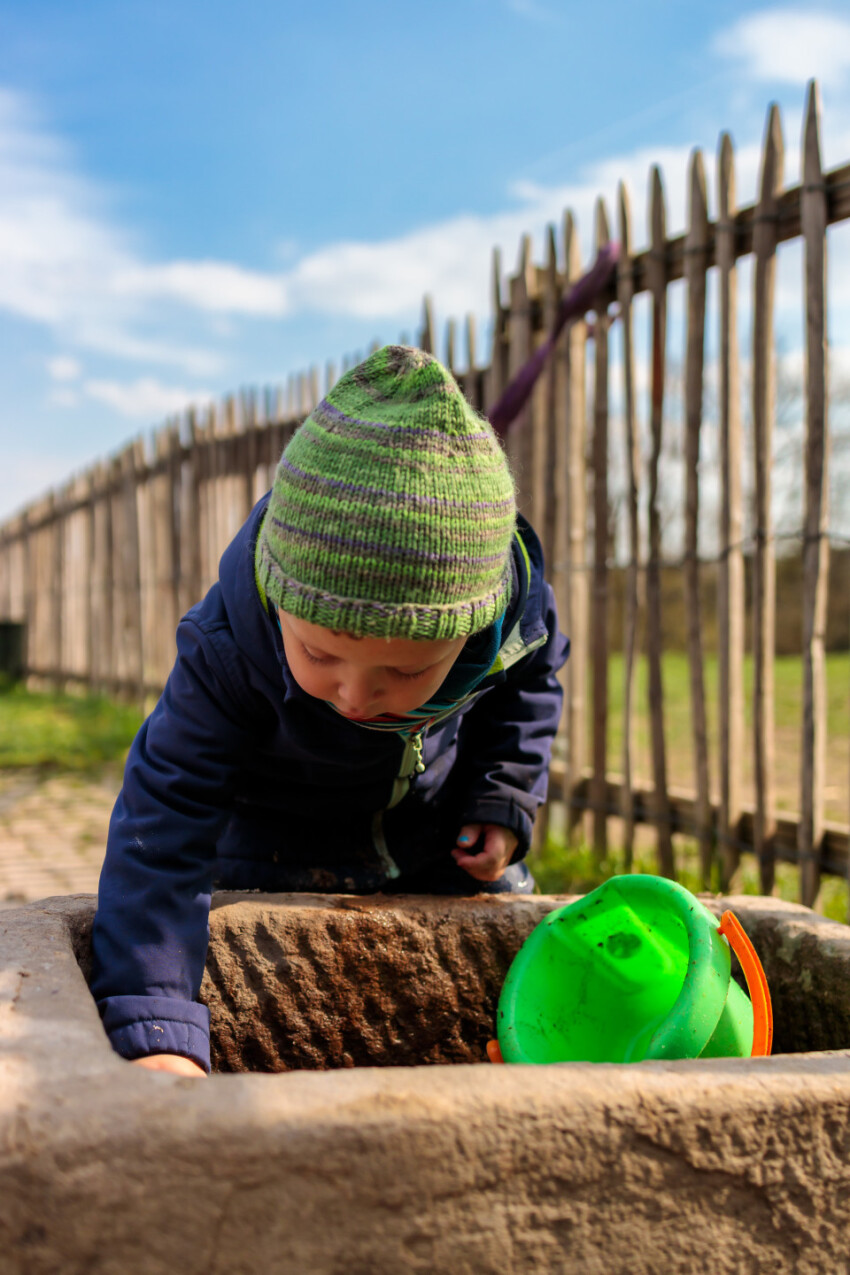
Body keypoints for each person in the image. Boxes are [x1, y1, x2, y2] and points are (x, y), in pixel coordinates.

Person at [90, 344, 569, 1077]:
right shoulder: (227, 654)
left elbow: (530, 688)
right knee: (268, 993)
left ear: (472, 628)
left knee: (502, 966)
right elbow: (164, 818)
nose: (354, 693)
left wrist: (501, 797)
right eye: (319, 656)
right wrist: (155, 1021)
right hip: (272, 850)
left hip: (432, 839)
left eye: (407, 669)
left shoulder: (512, 620)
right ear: (281, 601)